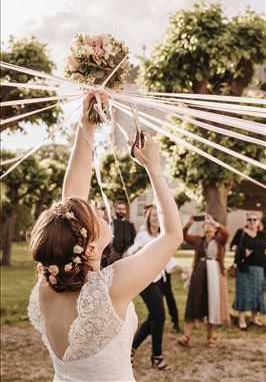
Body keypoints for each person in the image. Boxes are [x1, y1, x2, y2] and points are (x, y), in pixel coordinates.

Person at [27, 91, 183, 382]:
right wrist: (154, 168)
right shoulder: (112, 287)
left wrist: (87, 126)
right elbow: (172, 235)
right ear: (88, 248)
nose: (99, 209)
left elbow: (71, 199)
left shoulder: (49, 281)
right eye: (94, 214)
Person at [124, 205, 179, 370]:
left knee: (154, 317)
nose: (156, 218)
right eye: (153, 215)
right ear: (148, 217)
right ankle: (157, 357)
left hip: (159, 279)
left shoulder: (163, 236)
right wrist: (136, 251)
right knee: (160, 316)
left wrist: (183, 269)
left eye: (158, 215)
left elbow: (168, 258)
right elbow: (130, 252)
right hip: (145, 280)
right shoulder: (143, 235)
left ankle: (130, 349)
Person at [178, 214, 230, 348]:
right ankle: (186, 336)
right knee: (194, 301)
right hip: (199, 273)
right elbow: (183, 236)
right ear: (203, 227)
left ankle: (210, 336)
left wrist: (214, 221)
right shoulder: (198, 240)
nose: (208, 225)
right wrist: (189, 224)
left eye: (210, 224)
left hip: (214, 273)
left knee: (211, 303)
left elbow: (226, 233)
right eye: (206, 223)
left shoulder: (220, 240)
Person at [231, 212, 266, 330]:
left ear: (258, 221)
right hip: (244, 268)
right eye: (249, 220)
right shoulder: (241, 233)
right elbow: (232, 247)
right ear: (246, 221)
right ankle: (241, 320)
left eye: (254, 219)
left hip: (259, 268)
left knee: (257, 293)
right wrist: (243, 253)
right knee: (243, 293)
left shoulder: (262, 235)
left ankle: (254, 318)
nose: (252, 222)